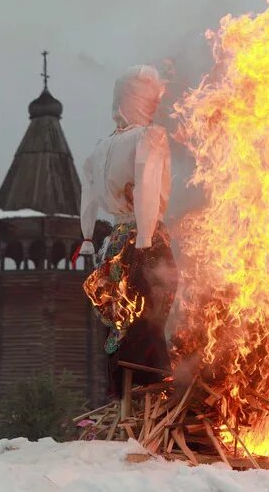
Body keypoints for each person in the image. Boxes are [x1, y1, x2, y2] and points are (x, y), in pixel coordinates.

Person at [78, 65, 177, 397]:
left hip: (112, 243)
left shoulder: (100, 146)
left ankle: (123, 393)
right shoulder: (149, 136)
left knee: (118, 321)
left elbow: (88, 193)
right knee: (148, 317)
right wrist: (147, 240)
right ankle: (151, 391)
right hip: (143, 240)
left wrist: (88, 237)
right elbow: (147, 183)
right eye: (151, 98)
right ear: (140, 98)